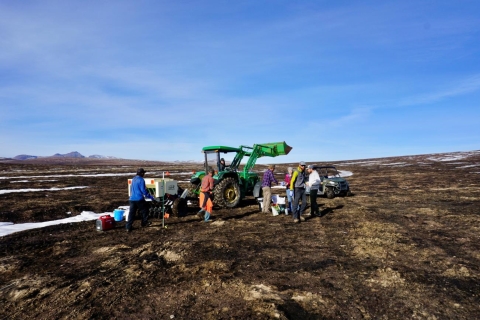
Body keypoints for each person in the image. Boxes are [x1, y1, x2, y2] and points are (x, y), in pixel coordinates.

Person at [126, 168, 156, 232]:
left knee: (131, 213)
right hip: (139, 199)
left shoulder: (133, 179)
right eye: (143, 173)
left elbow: (131, 188)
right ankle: (144, 223)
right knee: (145, 210)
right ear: (142, 173)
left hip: (131, 199)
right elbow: (143, 190)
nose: (144, 174)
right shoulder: (141, 180)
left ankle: (128, 227)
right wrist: (150, 197)